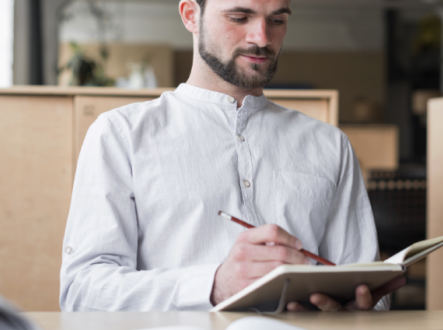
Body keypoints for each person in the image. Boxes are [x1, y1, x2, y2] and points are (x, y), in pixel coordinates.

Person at [59, 0, 405, 312]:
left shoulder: (330, 144)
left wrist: (357, 306)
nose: (262, 38)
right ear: (191, 16)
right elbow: (81, 292)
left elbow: (369, 290)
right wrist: (214, 286)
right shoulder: (120, 135)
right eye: (239, 17)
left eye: (278, 20)